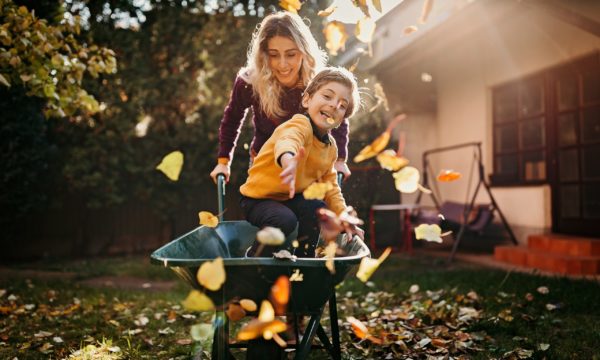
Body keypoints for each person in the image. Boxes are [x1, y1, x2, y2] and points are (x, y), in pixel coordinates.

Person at [209, 11, 351, 184]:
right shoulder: (250, 82)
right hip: (265, 165)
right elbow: (232, 118)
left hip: (308, 165)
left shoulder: (319, 83)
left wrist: (340, 160)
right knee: (271, 212)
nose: (282, 64)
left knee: (310, 211)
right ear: (263, 54)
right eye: (274, 55)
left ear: (304, 52)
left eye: (291, 54)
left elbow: (336, 116)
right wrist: (223, 161)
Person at [239, 67, 363, 258]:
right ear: (307, 100)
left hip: (289, 198)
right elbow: (289, 140)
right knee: (283, 220)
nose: (333, 106)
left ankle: (305, 258)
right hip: (258, 199)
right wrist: (289, 160)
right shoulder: (300, 124)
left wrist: (344, 216)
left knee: (317, 208)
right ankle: (255, 257)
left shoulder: (330, 148)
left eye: (342, 105)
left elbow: (330, 187)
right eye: (327, 96)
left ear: (341, 121)